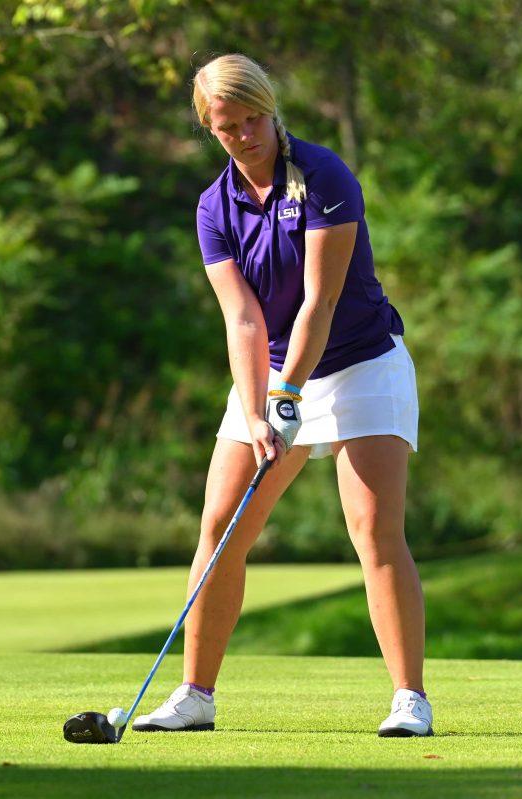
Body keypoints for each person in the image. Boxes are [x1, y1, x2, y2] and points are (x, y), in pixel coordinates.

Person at [132, 54, 429, 737]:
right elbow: (242, 319)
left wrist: (288, 393)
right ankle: (195, 694)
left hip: (361, 362)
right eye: (226, 126)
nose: (243, 135)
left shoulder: (324, 177)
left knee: (373, 528)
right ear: (209, 130)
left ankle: (410, 698)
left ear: (272, 109)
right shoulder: (214, 207)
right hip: (267, 370)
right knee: (220, 525)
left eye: (252, 118)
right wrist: (258, 402)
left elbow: (320, 302)